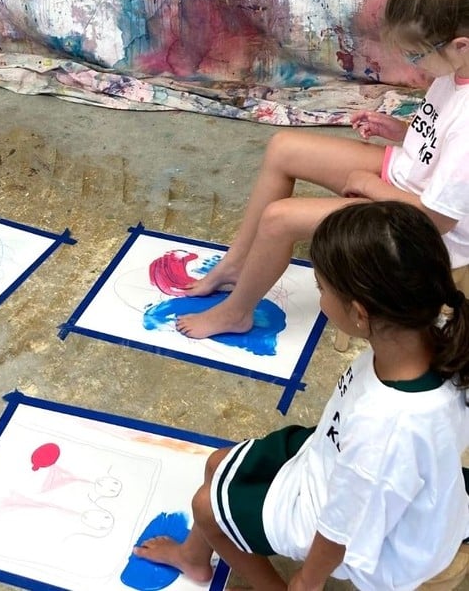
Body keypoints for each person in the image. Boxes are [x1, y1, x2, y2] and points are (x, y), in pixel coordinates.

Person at [134, 201, 469, 590]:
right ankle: (194, 558)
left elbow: (341, 528)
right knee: (217, 463)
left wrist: (307, 580)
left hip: (357, 521)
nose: (321, 299)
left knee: (206, 508)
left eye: (321, 289)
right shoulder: (432, 332)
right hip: (332, 456)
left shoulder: (387, 426)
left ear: (360, 314)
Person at [174, 0, 469, 339]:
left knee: (279, 220)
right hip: (406, 176)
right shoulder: (456, 70)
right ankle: (235, 264)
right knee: (285, 147)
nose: (416, 66)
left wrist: (372, 187)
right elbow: (440, 138)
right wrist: (399, 129)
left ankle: (235, 312)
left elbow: (437, 220)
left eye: (416, 56)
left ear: (460, 45)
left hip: (424, 229)